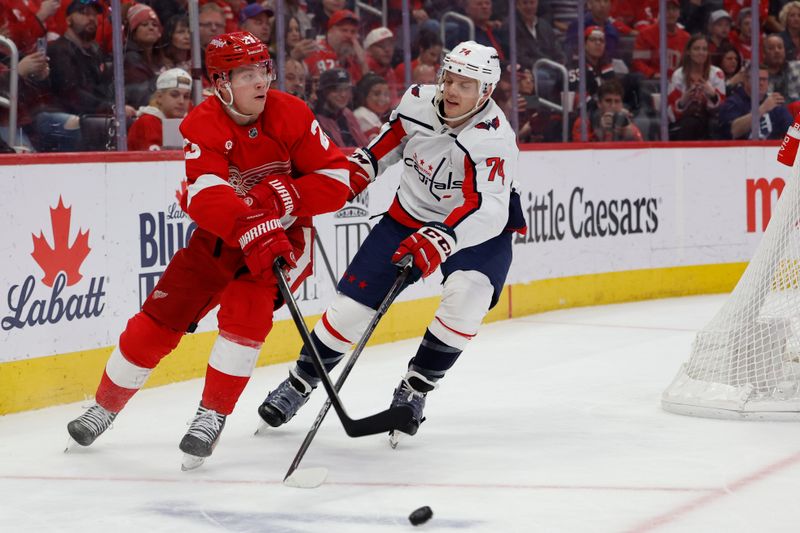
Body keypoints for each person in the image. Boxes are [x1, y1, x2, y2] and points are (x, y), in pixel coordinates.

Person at [66, 31, 350, 468]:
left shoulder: (291, 113)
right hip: (219, 239)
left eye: (264, 70)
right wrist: (248, 221)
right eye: (248, 74)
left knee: (245, 314)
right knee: (158, 320)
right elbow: (205, 193)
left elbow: (337, 181)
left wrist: (276, 201)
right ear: (220, 83)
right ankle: (104, 406)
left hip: (284, 241)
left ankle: (211, 415)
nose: (262, 82)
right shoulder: (201, 123)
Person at [257, 41, 526, 447]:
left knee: (468, 296)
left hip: (475, 231)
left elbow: (487, 208)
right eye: (448, 79)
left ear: (485, 92)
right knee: (348, 312)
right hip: (407, 218)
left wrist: (444, 237)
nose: (451, 90)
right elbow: (381, 150)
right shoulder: (417, 102)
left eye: (465, 85)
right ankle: (301, 382)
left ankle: (415, 389)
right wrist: (345, 180)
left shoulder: (494, 139)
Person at [667, 33, 726, 140]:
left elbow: (722, 110)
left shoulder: (717, 73)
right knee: (691, 122)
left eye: (704, 49)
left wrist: (712, 95)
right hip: (684, 121)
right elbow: (670, 113)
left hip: (709, 120)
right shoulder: (678, 74)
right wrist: (683, 101)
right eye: (696, 49)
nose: (701, 53)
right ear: (689, 52)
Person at [717, 62, 793, 139]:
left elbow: (792, 131)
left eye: (764, 79)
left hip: (771, 149)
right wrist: (762, 109)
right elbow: (732, 132)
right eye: (758, 79)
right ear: (746, 80)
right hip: (741, 149)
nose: (761, 83)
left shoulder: (774, 103)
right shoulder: (733, 102)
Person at [127, 68, 192, 151]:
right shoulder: (147, 123)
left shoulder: (190, 122)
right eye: (174, 95)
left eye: (186, 96)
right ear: (159, 97)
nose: (181, 101)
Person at [571, 78, 643, 141]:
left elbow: (642, 149)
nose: (613, 105)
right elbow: (583, 152)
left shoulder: (626, 119)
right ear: (599, 103)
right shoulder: (583, 122)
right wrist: (601, 132)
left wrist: (631, 134)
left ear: (622, 104)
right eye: (608, 101)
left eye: (617, 101)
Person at [314, 67, 369, 147]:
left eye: (346, 89)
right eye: (336, 90)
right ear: (324, 92)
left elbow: (364, 145)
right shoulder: (315, 119)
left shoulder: (347, 114)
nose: (343, 95)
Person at [124, 4, 163, 108]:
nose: (151, 28)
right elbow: (140, 97)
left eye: (155, 25)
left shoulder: (160, 59)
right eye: (145, 24)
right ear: (133, 32)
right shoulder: (130, 59)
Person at [353, 73, 392, 140]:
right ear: (363, 96)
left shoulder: (379, 115)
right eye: (376, 94)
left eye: (386, 94)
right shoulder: (361, 114)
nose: (382, 99)